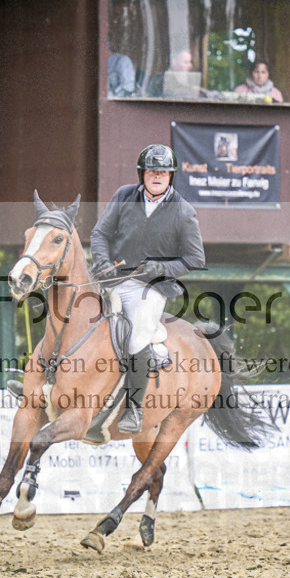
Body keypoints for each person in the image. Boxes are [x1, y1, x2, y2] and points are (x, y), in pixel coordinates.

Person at [90, 144, 206, 434]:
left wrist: (162, 268)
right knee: (70, 312)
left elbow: (195, 258)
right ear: (143, 174)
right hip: (113, 277)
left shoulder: (184, 212)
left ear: (170, 177)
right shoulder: (123, 195)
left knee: (136, 337)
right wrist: (102, 260)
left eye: (163, 173)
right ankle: (44, 384)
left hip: (151, 287)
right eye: (152, 171)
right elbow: (101, 233)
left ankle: (134, 407)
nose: (157, 177)